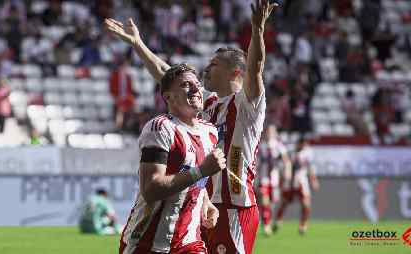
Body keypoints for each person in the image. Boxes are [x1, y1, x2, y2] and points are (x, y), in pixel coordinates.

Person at [106, 2, 276, 253]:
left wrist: (257, 29)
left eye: (214, 64)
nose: (206, 69)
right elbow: (168, 76)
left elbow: (256, 67)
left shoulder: (247, 105)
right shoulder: (207, 104)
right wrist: (138, 44)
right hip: (201, 205)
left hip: (234, 207)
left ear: (235, 73)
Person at [119, 64, 226, 254]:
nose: (195, 88)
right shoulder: (160, 128)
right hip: (147, 243)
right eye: (186, 85)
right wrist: (202, 171)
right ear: (168, 96)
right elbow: (151, 189)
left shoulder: (209, 131)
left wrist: (206, 203)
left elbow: (197, 178)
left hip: (189, 242)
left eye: (197, 83)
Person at [275, 137, 319, 235]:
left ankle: (303, 225)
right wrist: (282, 178)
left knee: (306, 204)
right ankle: (278, 220)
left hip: (301, 181)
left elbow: (310, 167)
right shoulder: (290, 152)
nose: (303, 146)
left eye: (305, 144)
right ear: (298, 143)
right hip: (290, 182)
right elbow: (283, 164)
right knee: (284, 202)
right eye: (302, 143)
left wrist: (313, 180)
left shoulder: (307, 154)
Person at [257, 125, 292, 236]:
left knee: (273, 202)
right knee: (264, 200)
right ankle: (266, 226)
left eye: (271, 131)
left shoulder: (279, 146)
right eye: (268, 131)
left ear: (275, 133)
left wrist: (287, 172)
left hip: (275, 179)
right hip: (263, 178)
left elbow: (286, 161)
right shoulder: (260, 145)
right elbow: (255, 162)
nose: (269, 133)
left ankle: (270, 220)